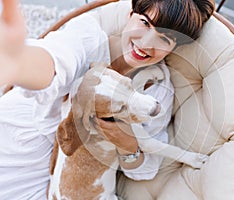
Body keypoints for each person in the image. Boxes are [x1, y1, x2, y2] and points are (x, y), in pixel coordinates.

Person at [0, 0, 214, 199]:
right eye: (145, 23)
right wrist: (18, 62)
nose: (146, 43)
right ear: (130, 14)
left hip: (58, 175)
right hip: (18, 135)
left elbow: (145, 170)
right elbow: (57, 60)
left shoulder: (157, 90)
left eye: (164, 39)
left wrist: (128, 143)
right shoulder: (89, 36)